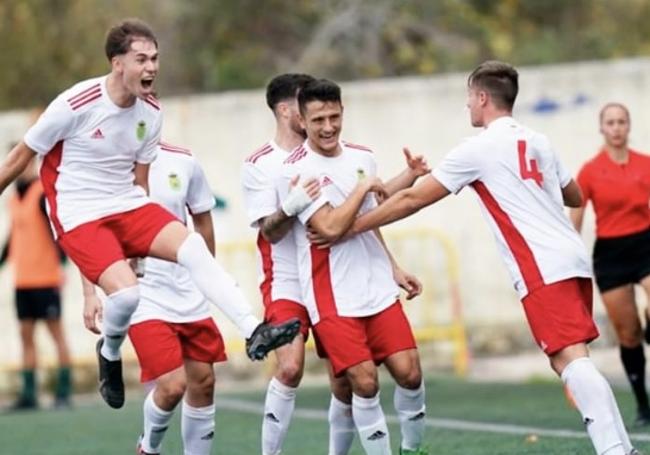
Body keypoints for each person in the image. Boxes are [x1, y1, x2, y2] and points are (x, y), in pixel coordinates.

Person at [0, 18, 299, 410]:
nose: (151, 67)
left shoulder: (151, 113)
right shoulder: (76, 103)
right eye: (141, 59)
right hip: (78, 213)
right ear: (116, 63)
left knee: (192, 247)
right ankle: (109, 353)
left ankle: (255, 330)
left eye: (155, 58)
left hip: (125, 202)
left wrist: (139, 242)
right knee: (126, 297)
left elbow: (139, 181)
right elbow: (18, 159)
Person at [345, 60, 637, 455]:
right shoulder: (538, 140)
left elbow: (414, 197)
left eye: (469, 97)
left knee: (570, 358)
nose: (467, 106)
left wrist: (352, 227)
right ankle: (620, 447)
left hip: (540, 264)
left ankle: (614, 450)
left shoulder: (479, 148)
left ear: (482, 98)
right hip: (571, 257)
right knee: (570, 357)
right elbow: (574, 195)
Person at [283, 78, 429, 455]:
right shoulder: (296, 172)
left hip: (375, 283)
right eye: (318, 120)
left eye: (334, 116)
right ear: (301, 120)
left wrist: (408, 177)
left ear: (343, 112)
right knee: (364, 383)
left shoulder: (362, 156)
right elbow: (330, 227)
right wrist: (363, 190)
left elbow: (372, 214)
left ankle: (413, 451)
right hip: (332, 293)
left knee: (410, 373)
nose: (328, 127)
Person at [84, 141, 224, 455]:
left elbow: (203, 222)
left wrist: (209, 279)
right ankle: (148, 448)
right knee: (173, 385)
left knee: (203, 382)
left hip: (187, 288)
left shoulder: (184, 159)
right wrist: (89, 292)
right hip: (140, 292)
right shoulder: (104, 164)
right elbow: (87, 233)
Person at [571, 102, 650, 427]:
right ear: (602, 128)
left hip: (646, 243)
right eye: (611, 122)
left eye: (622, 122)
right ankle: (643, 405)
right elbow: (574, 218)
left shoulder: (645, 164)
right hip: (611, 255)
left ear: (628, 126)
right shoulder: (590, 171)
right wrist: (569, 258)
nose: (617, 128)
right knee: (629, 334)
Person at [0, 147, 72, 410]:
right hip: (23, 280)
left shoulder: (42, 195)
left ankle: (63, 392)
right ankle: (29, 395)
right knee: (25, 336)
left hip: (46, 278)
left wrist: (62, 265)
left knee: (57, 335)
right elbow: (13, 237)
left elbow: (59, 233)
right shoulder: (12, 199)